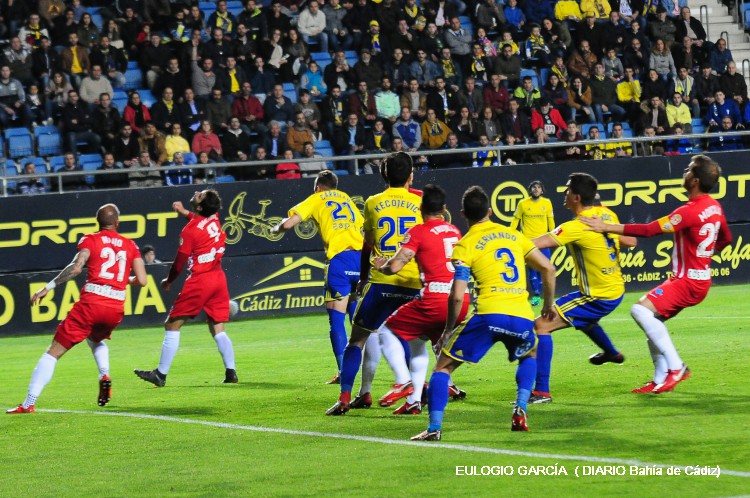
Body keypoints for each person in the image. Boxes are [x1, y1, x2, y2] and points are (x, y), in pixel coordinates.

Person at [410, 186, 556, 439]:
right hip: (521, 314)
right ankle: (520, 407)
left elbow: (457, 295)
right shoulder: (514, 236)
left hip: (489, 314)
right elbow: (548, 268)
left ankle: (434, 428)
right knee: (529, 354)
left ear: (463, 214)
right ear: (489, 211)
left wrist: (448, 330)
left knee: (443, 369)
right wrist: (547, 305)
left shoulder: (464, 245)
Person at [582, 156, 732, 394]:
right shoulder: (715, 206)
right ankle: (659, 378)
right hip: (699, 278)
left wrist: (606, 227)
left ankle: (676, 367)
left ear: (694, 180)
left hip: (687, 281)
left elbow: (649, 230)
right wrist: (704, 255)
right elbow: (726, 239)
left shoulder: (689, 211)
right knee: (653, 320)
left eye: (688, 169)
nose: (684, 172)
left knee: (639, 311)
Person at [8, 204, 147, 414]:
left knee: (53, 352)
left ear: (98, 222)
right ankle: (104, 374)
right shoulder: (130, 245)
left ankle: (28, 403)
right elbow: (143, 280)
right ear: (117, 222)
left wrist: (48, 287)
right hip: (115, 306)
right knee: (95, 339)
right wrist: (123, 280)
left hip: (92, 302)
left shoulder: (90, 239)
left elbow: (75, 268)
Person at [326, 152, 423, 415]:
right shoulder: (420, 202)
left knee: (358, 339)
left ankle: (345, 397)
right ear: (411, 175)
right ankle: (416, 394)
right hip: (413, 282)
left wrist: (363, 278)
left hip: (381, 282)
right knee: (416, 342)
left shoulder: (373, 202)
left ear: (383, 175)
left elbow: (368, 245)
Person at [528, 173, 637, 404]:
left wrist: (502, 242)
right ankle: (611, 353)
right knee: (585, 321)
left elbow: (534, 244)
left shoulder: (576, 227)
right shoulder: (606, 215)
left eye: (568, 190)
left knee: (542, 325)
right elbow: (631, 241)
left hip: (597, 296)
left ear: (576, 197)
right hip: (615, 289)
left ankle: (542, 392)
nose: (564, 193)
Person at [372, 184, 471, 414]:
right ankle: (414, 401)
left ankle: (403, 381)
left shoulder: (419, 231)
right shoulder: (454, 230)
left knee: (385, 331)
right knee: (417, 341)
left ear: (421, 208)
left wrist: (381, 267)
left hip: (435, 299)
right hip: (460, 299)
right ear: (444, 209)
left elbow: (395, 267)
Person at [135, 190, 238, 387]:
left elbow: (179, 263)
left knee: (171, 325)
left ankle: (160, 374)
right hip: (218, 278)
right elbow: (200, 220)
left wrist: (169, 281)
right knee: (217, 328)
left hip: (201, 281)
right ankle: (231, 372)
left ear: (199, 206)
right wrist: (184, 212)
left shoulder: (190, 231)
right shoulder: (214, 217)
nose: (197, 192)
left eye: (200, 195)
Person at [273, 171, 363, 383]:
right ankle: (368, 368)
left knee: (336, 319)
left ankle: (344, 372)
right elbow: (363, 228)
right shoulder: (346, 198)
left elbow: (289, 223)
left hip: (339, 261)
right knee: (358, 319)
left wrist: (277, 227)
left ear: (318, 187)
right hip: (360, 259)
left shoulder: (316, 198)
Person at [510, 181, 555, 307]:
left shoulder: (547, 203)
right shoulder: (523, 204)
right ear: (530, 190)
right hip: (528, 242)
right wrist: (511, 235)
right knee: (532, 270)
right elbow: (515, 220)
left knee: (545, 268)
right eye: (534, 187)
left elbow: (551, 221)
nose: (536, 189)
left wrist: (553, 237)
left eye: (539, 187)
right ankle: (536, 295)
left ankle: (545, 295)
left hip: (543, 242)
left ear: (542, 190)